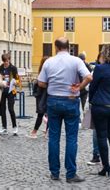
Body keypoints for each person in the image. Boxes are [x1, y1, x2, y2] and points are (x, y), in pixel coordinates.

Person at [38, 37, 92, 183]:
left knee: (53, 138)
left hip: (53, 101)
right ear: (69, 47)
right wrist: (79, 87)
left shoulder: (49, 62)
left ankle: (54, 172)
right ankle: (71, 174)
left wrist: (53, 82)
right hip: (71, 100)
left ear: (56, 47)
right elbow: (88, 77)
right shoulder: (76, 61)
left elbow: (41, 83)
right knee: (71, 138)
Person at [89, 44, 110, 176]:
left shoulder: (99, 68)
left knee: (102, 136)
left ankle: (106, 166)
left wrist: (91, 100)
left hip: (101, 105)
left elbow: (93, 87)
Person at [0, 53, 20, 135]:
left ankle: (14, 126)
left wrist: (16, 82)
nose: (5, 63)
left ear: (9, 60)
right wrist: (1, 78)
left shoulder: (13, 68)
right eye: (4, 61)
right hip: (2, 91)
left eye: (7, 61)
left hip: (11, 91)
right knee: (2, 109)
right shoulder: (0, 68)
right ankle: (4, 127)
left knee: (11, 108)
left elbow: (17, 79)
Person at [29, 56, 49, 139]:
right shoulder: (44, 73)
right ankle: (38, 132)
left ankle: (37, 132)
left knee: (43, 114)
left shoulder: (42, 72)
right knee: (42, 114)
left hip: (43, 96)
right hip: (43, 95)